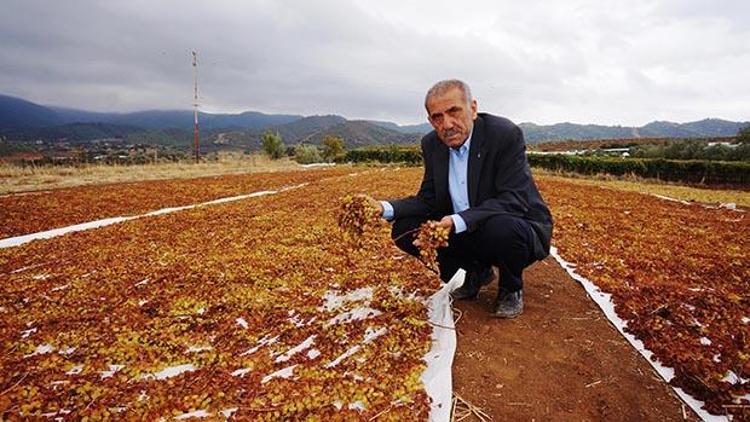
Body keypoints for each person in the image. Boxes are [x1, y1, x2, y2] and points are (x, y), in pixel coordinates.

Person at [362, 79, 553, 318]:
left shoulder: (503, 134)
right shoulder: (432, 144)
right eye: (437, 117)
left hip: (517, 224)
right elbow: (428, 199)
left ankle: (510, 288)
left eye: (454, 112)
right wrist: (383, 207)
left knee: (502, 228)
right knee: (406, 228)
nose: (447, 124)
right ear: (431, 121)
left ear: (472, 109)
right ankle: (477, 272)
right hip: (465, 226)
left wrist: (457, 220)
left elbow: (514, 199)